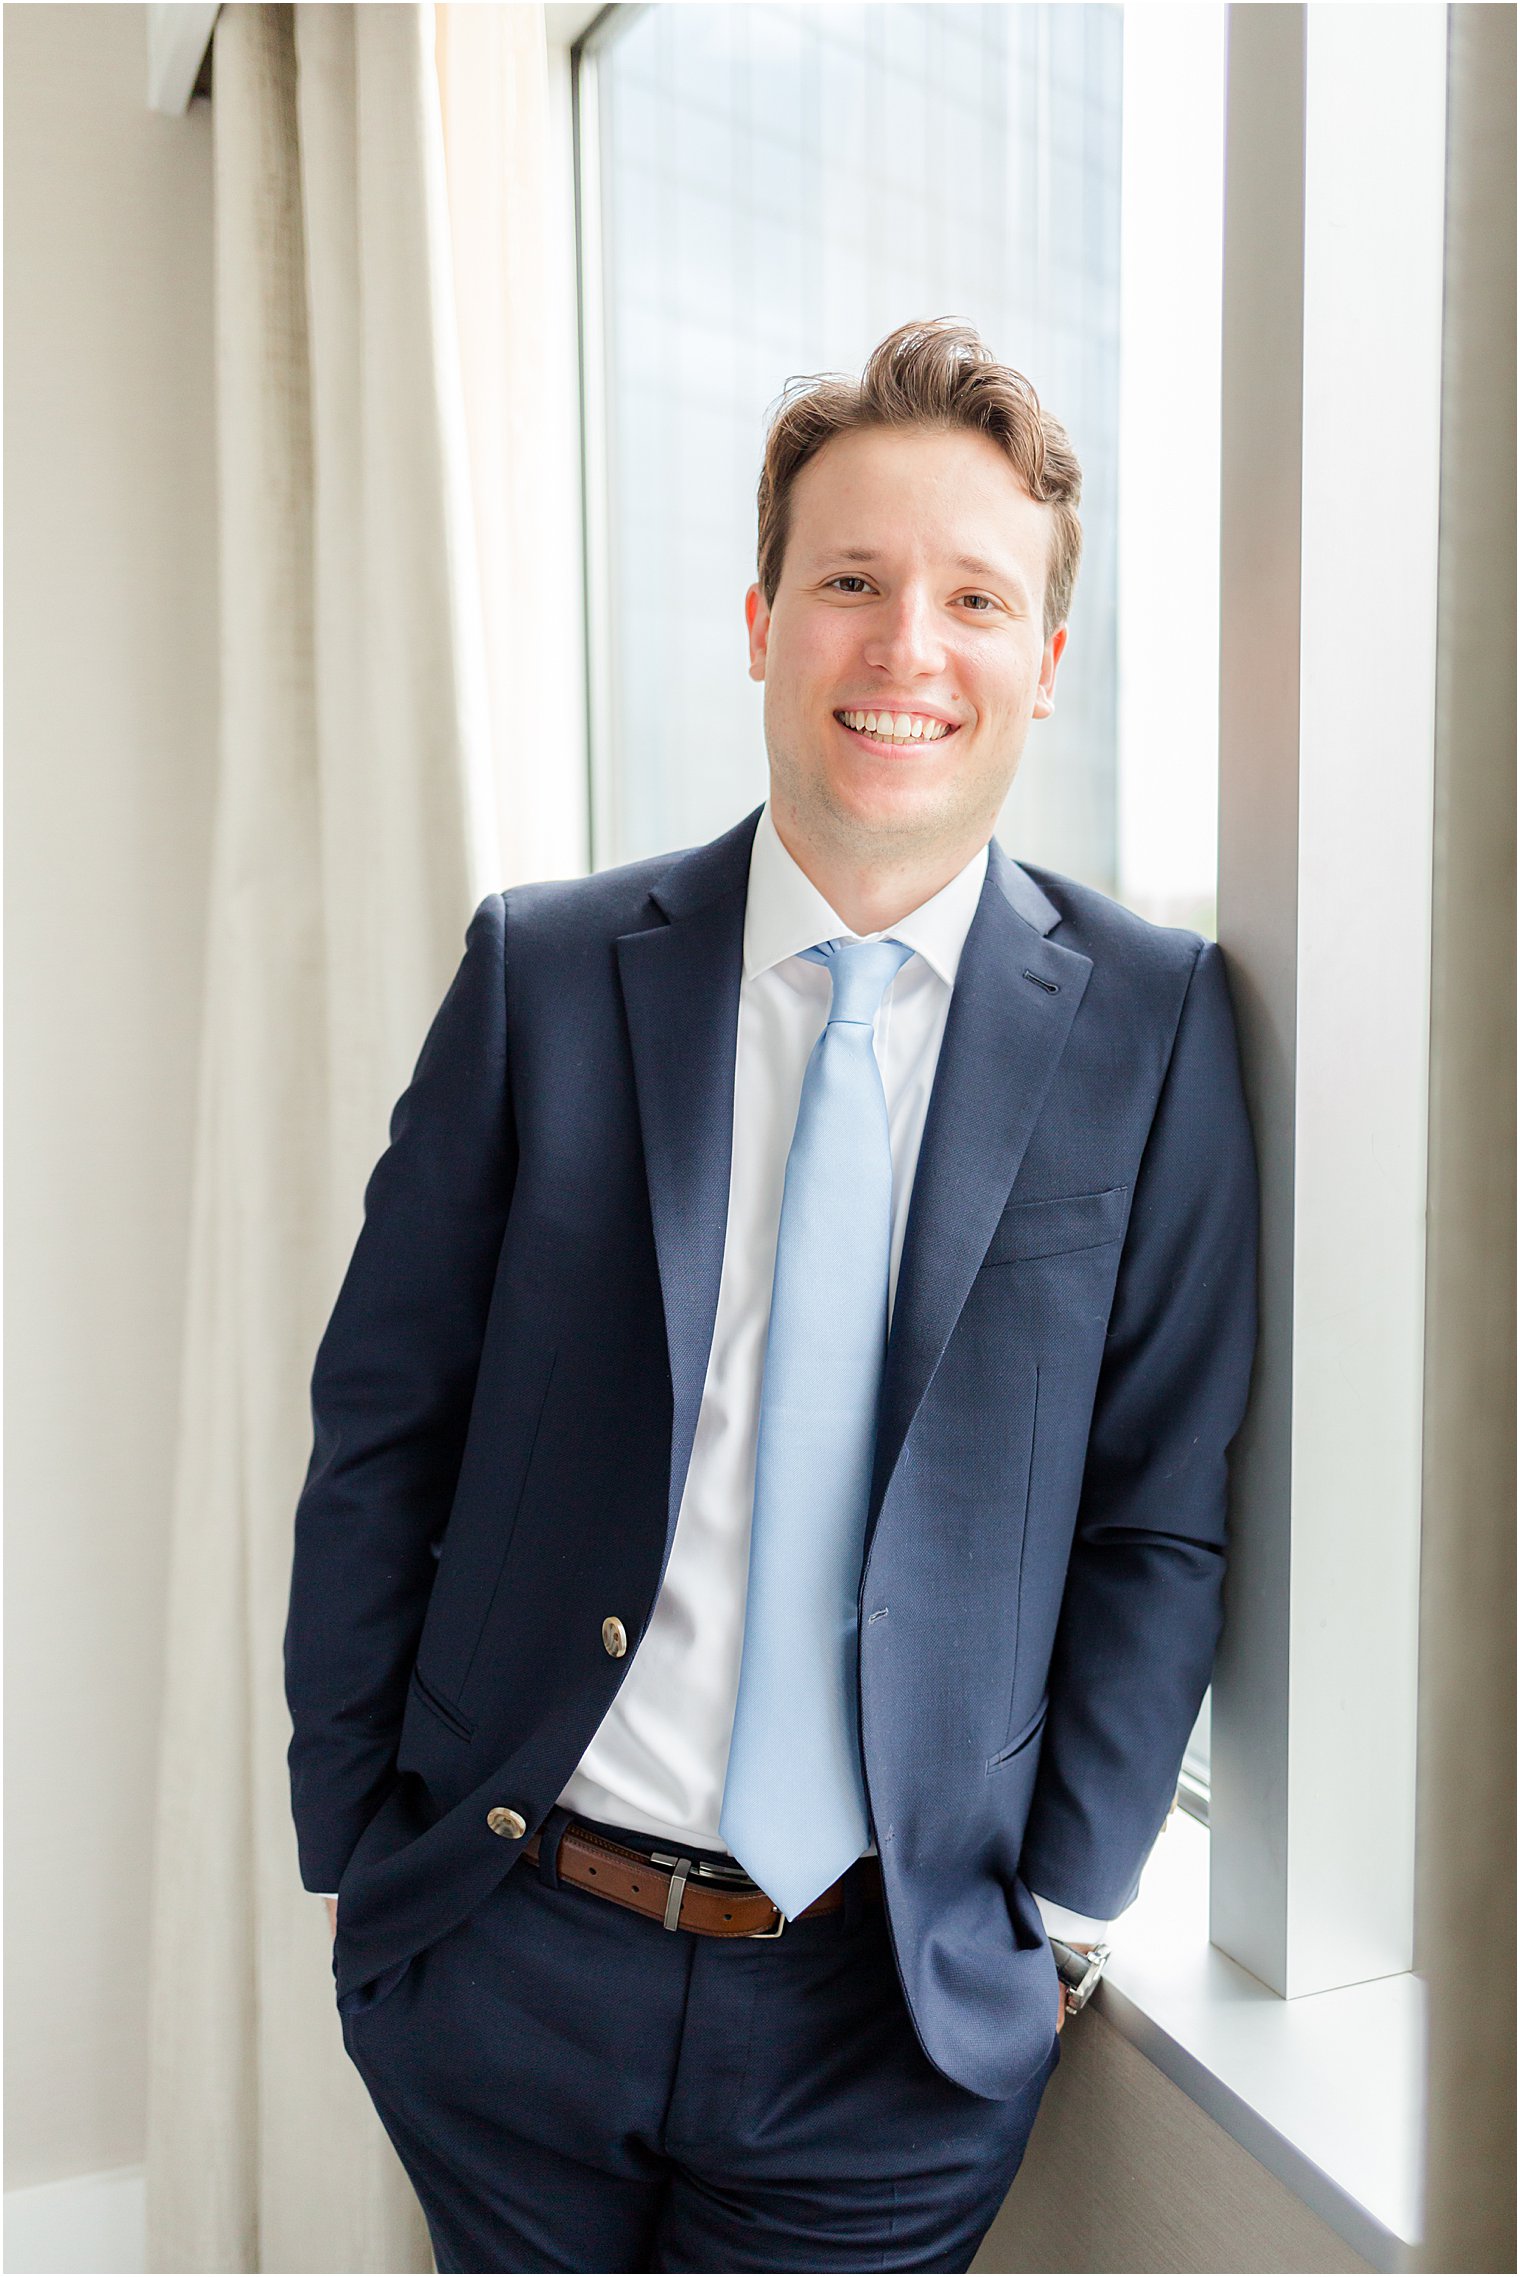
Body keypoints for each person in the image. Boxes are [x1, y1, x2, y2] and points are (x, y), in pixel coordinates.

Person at [284, 316, 1259, 2274]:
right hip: (508, 1956)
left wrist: (1063, 1904)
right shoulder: (542, 978)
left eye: (974, 596)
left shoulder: (1152, 1029)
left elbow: (1158, 1502)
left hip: (883, 2019)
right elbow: (383, 1430)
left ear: (1042, 666)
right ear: (759, 620)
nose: (907, 646)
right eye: (850, 582)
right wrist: (354, 1856)